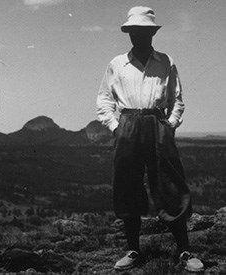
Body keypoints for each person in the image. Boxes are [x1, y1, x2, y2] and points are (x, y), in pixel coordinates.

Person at [96, 6, 204, 273]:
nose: (138, 36)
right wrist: (116, 126)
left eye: (143, 31)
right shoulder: (116, 64)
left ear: (151, 33)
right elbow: (104, 100)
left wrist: (169, 125)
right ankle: (133, 249)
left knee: (170, 183)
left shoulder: (165, 61)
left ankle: (184, 250)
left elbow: (176, 99)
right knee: (127, 184)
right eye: (134, 31)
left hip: (157, 124)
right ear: (129, 33)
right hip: (128, 123)